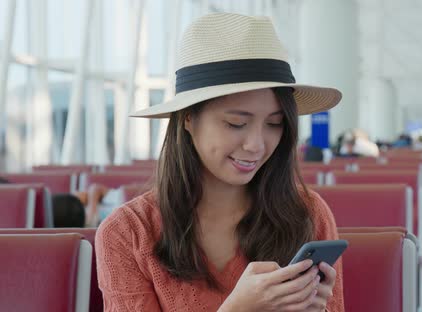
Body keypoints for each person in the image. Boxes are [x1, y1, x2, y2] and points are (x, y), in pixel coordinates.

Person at [95, 13, 345, 312]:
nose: (256, 144)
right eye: (236, 123)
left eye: (274, 124)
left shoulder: (308, 213)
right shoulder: (127, 232)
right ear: (188, 118)